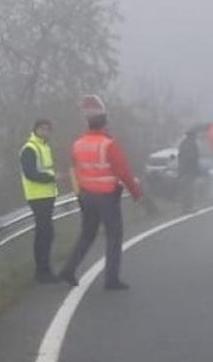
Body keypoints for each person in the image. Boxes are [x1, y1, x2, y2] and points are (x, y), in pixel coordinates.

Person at [59, 95, 144, 290]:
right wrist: (136, 193)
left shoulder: (78, 144)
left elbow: (75, 169)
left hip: (87, 195)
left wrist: (79, 193)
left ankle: (68, 270)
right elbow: (123, 172)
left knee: (87, 234)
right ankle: (111, 279)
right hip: (106, 196)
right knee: (114, 235)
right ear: (105, 124)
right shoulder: (109, 144)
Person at [20, 118, 60, 283]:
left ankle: (45, 269)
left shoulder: (45, 147)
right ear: (35, 129)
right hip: (37, 197)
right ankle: (42, 272)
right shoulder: (29, 148)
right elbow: (30, 173)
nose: (45, 132)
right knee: (44, 234)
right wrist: (51, 178)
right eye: (42, 129)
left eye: (48, 129)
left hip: (47, 195)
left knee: (47, 234)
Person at [176, 129, 201, 213]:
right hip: (189, 170)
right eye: (194, 136)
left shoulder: (184, 144)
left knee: (187, 189)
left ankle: (186, 207)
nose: (195, 137)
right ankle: (188, 207)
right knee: (188, 189)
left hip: (186, 170)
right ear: (191, 136)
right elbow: (190, 158)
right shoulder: (190, 145)